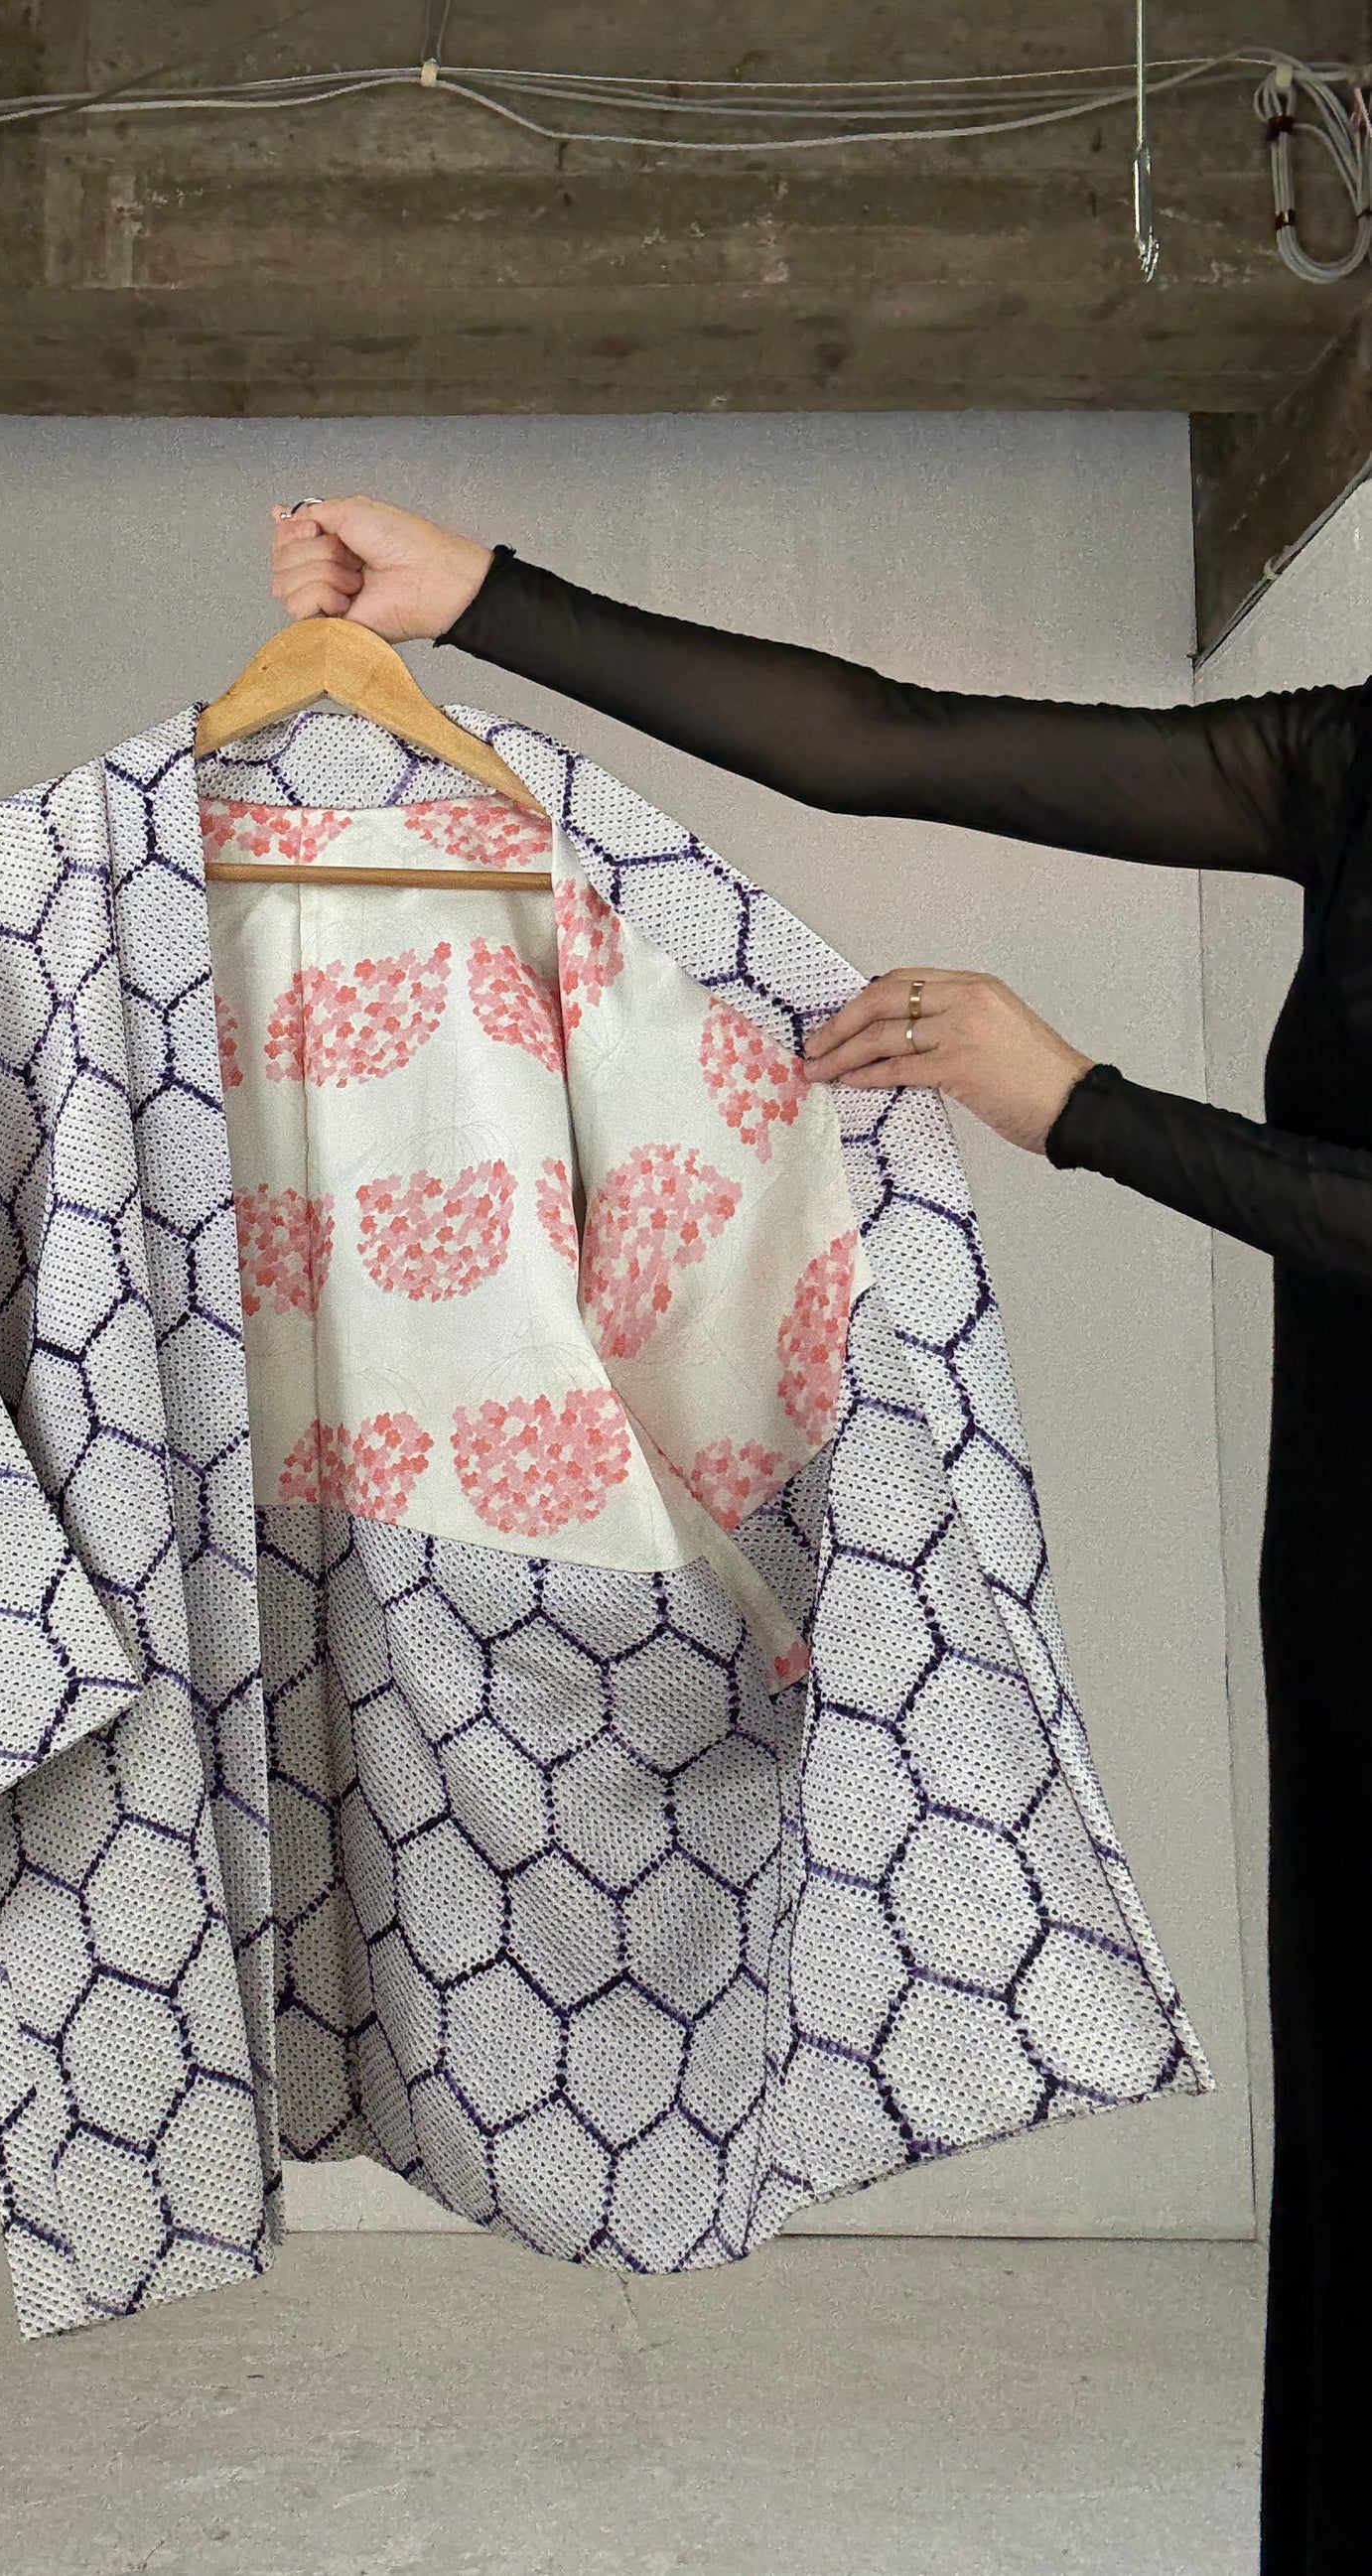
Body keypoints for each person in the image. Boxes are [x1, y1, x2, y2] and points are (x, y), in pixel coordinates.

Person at [270, 496, 1372, 2576]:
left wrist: (1083, 1105)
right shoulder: (1351, 758)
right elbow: (884, 739)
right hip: (1350, 1561)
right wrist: (480, 597)